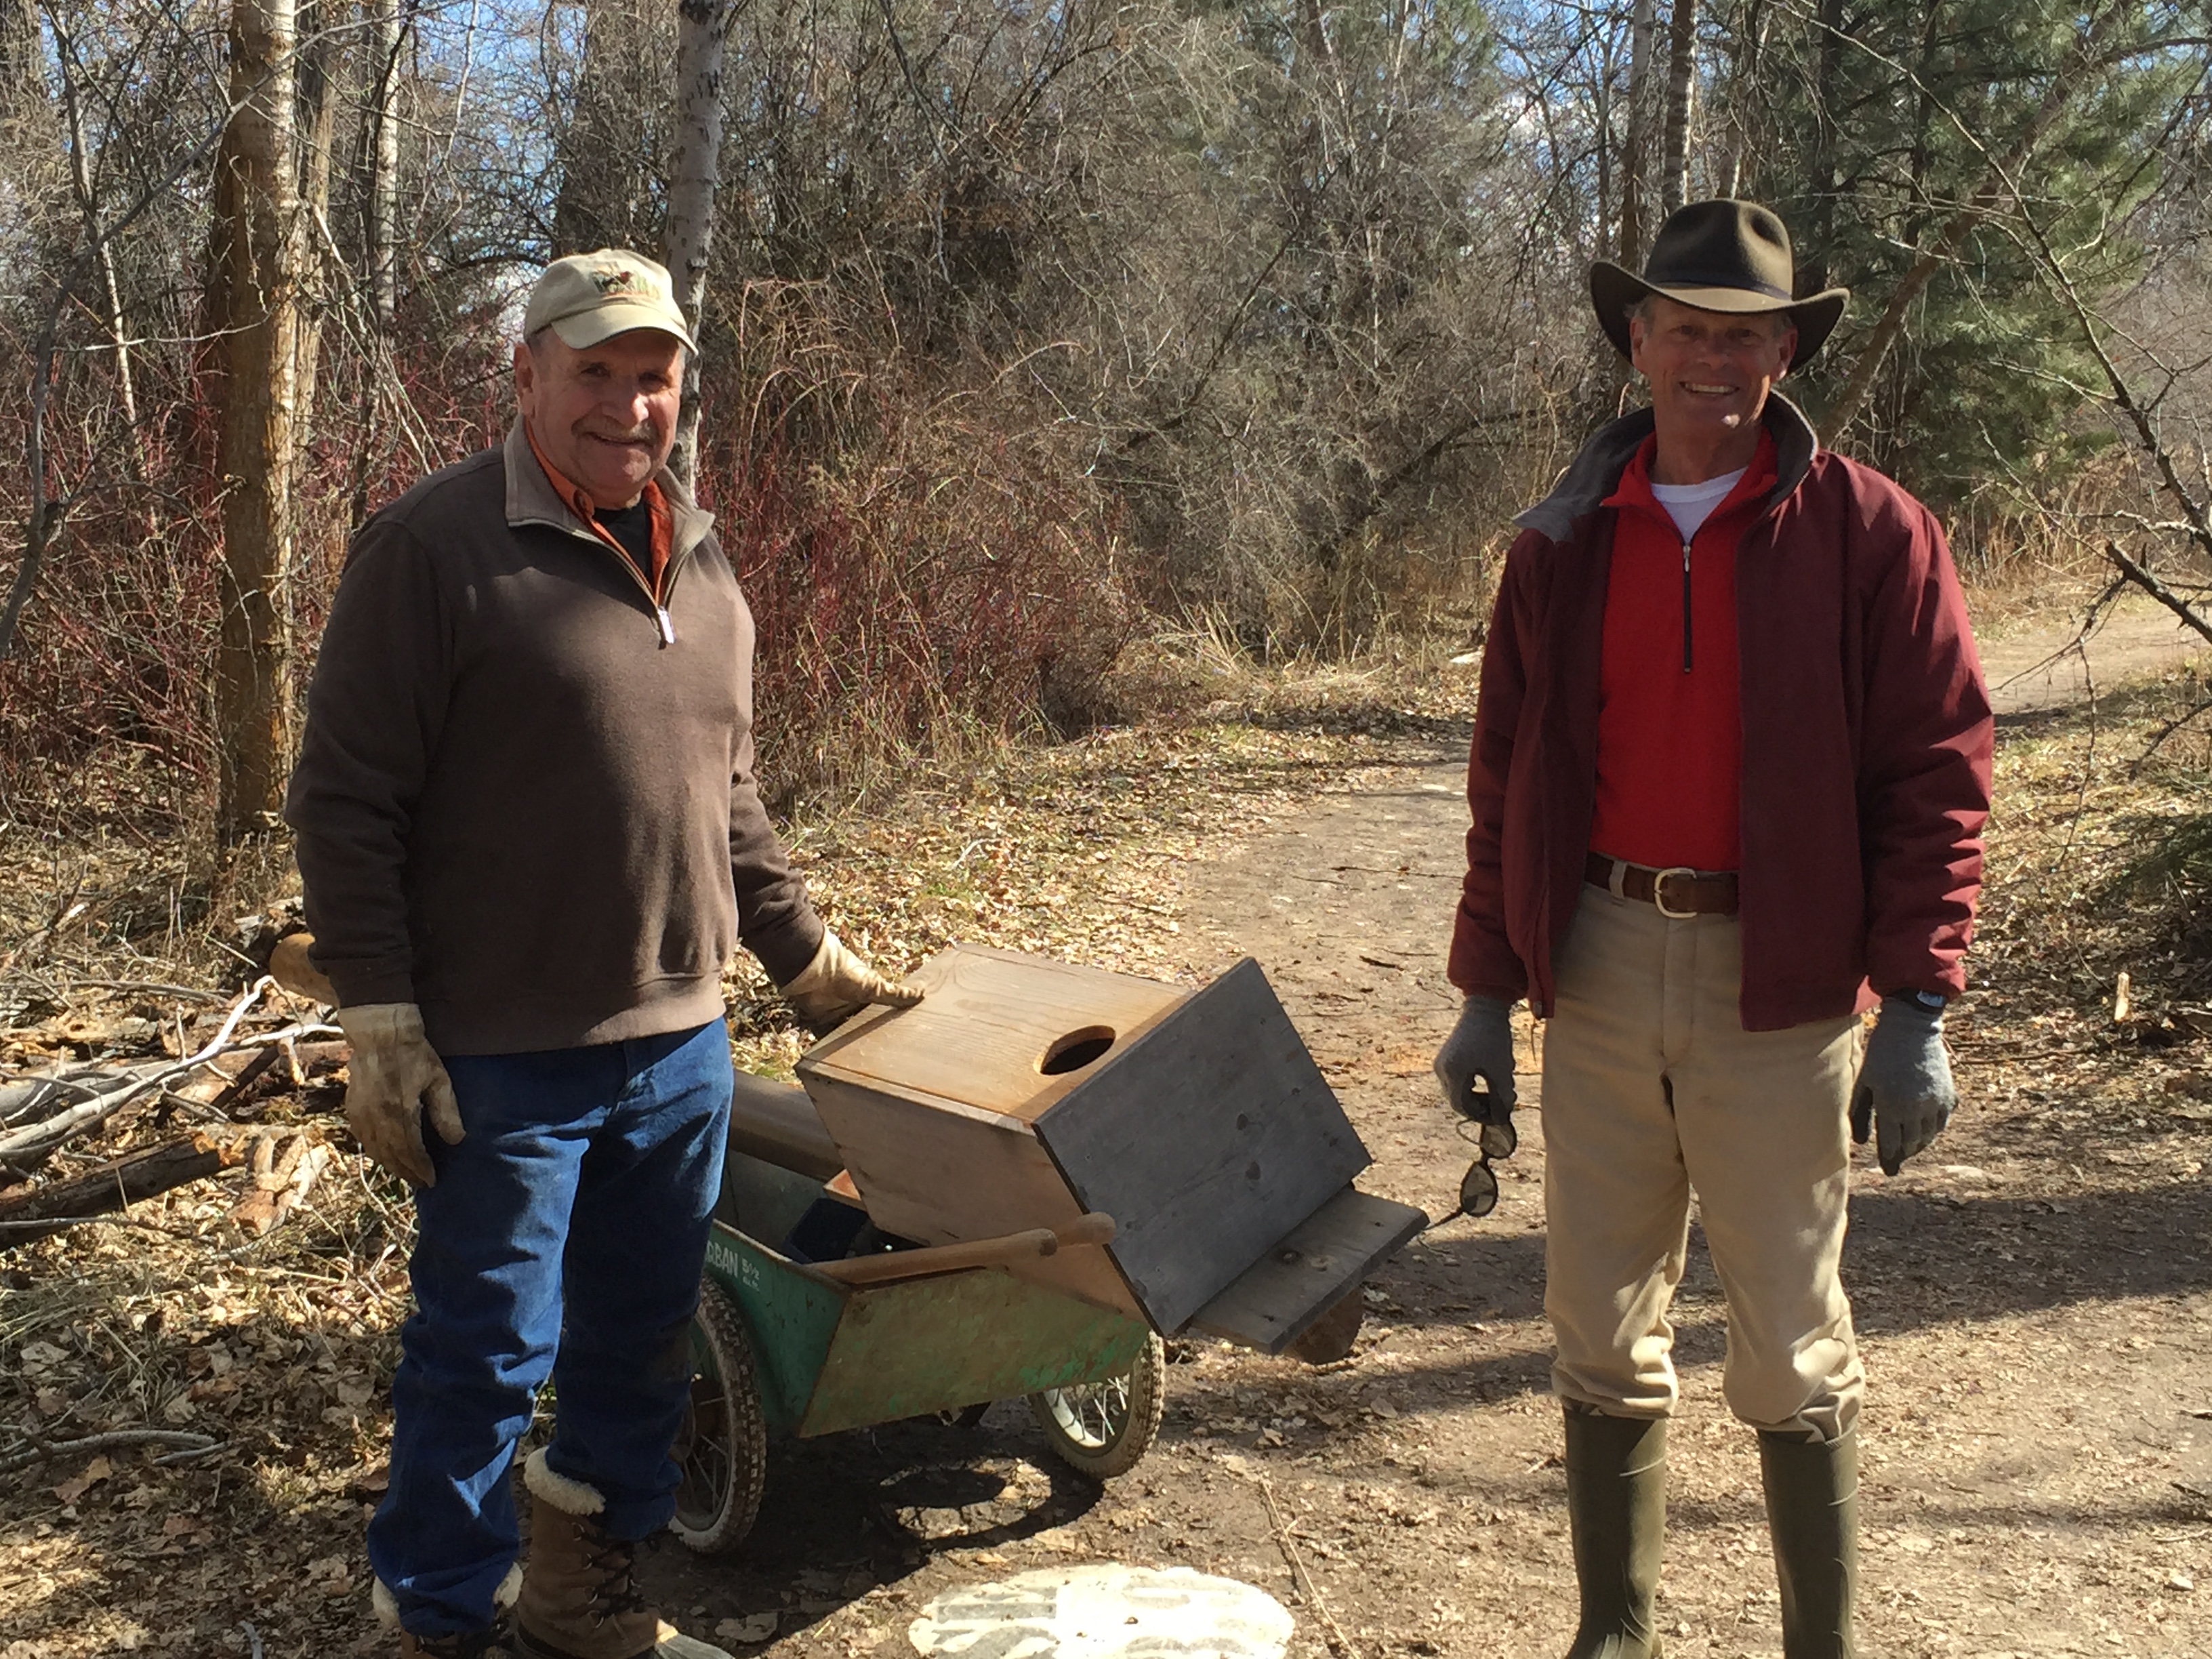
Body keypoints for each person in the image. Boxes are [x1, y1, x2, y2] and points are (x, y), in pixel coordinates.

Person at [286, 249, 921, 1659]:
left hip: (681, 1049)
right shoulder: (435, 545)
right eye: (596, 373)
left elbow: (725, 792)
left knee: (637, 1344)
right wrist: (380, 1013)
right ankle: (442, 1621)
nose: (629, 406)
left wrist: (805, 954)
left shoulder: (699, 553)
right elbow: (343, 797)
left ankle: (584, 1596)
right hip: (507, 1054)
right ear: (526, 376)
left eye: (654, 376)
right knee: (483, 1355)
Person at [1433, 200, 1992, 1658]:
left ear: (1787, 351)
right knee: (1598, 1326)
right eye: (1687, 329)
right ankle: (1613, 1634)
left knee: (1792, 1345)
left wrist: (1917, 1006)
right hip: (1604, 961)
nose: (1714, 361)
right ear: (1639, 341)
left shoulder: (1872, 533)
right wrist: (1487, 990)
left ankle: (1826, 1645)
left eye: (1747, 337)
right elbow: (1507, 775)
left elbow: (1939, 771)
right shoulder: (1563, 543)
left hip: (1783, 985)